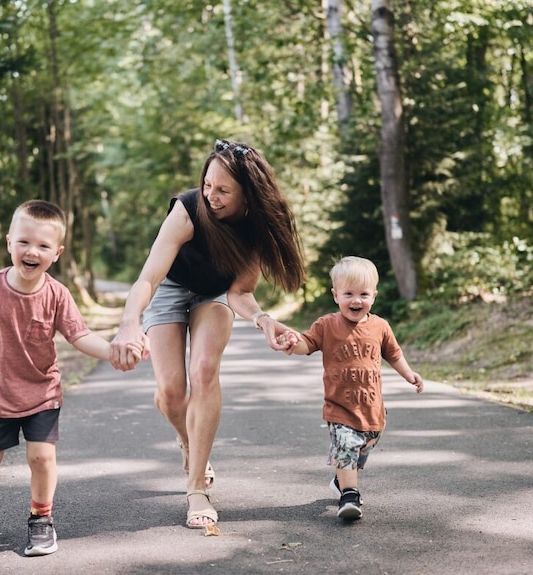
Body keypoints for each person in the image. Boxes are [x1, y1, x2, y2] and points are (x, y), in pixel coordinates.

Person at [0, 200, 144, 556]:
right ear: (9, 243)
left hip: (42, 394)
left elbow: (79, 336)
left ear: (57, 253)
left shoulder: (57, 295)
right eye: (24, 242)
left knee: (42, 458)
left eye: (43, 246)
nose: (32, 251)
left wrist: (112, 350)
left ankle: (41, 520)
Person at [109, 139, 306, 529]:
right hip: (168, 288)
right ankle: (188, 438)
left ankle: (196, 485)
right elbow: (149, 277)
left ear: (247, 195)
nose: (211, 195)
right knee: (170, 392)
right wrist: (130, 320)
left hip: (214, 296)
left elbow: (240, 292)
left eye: (222, 190)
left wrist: (264, 319)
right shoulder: (187, 210)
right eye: (207, 185)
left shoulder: (256, 227)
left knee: (203, 371)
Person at [277, 255, 423, 520]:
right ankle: (349, 495)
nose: (356, 300)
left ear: (374, 295)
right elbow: (306, 344)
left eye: (364, 294)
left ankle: (341, 480)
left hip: (373, 411)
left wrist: (409, 374)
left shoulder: (380, 326)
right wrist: (291, 343)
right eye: (348, 294)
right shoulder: (327, 325)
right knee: (346, 449)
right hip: (340, 407)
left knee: (360, 450)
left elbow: (394, 354)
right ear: (336, 295)